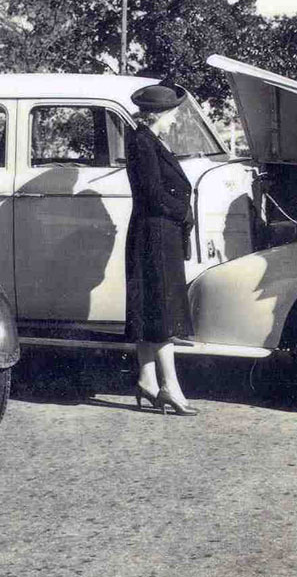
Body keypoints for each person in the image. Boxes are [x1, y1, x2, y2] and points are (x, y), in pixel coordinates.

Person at [125, 82, 198, 416]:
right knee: (161, 309)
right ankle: (170, 386)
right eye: (172, 114)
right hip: (156, 234)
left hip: (154, 233)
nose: (174, 120)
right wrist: (183, 211)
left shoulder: (147, 140)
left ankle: (147, 379)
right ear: (158, 114)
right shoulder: (143, 142)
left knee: (151, 305)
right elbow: (153, 195)